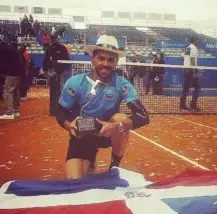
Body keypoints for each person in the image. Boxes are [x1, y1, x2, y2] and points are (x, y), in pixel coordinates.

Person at [56, 35, 150, 179]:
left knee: (120, 118)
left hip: (107, 134)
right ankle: (90, 159)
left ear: (116, 62)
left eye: (111, 60)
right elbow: (61, 113)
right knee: (75, 182)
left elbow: (143, 116)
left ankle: (114, 165)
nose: (105, 64)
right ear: (92, 58)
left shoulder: (122, 84)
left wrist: (115, 126)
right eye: (101, 58)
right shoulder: (74, 83)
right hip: (82, 136)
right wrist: (70, 125)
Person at [0, 34, 24, 119]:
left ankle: (9, 113)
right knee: (15, 91)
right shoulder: (7, 46)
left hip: (12, 73)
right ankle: (16, 111)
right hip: (19, 72)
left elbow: (3, 64)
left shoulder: (1, 48)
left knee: (8, 91)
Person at [179, 36, 201, 112]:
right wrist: (195, 71)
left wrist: (186, 60)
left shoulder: (187, 48)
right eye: (197, 40)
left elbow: (180, 57)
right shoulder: (194, 48)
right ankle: (193, 105)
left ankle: (182, 106)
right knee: (197, 88)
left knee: (185, 89)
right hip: (191, 70)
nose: (197, 42)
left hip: (185, 69)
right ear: (194, 40)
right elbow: (192, 60)